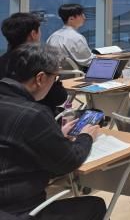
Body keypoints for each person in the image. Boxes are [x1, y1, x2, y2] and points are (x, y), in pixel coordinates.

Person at [0, 43, 105, 219]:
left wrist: (54, 135)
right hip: (17, 208)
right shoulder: (34, 114)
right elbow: (68, 161)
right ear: (40, 78)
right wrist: (86, 136)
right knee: (96, 205)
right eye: (55, 78)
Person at [1, 12, 67, 115]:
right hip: (39, 117)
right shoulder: (41, 63)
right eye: (39, 30)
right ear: (33, 34)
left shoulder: (3, 60)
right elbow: (59, 97)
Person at [45, 3, 95, 69]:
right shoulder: (76, 38)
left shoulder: (52, 37)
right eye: (81, 15)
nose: (84, 17)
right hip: (76, 74)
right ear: (71, 19)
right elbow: (88, 61)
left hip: (55, 73)